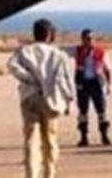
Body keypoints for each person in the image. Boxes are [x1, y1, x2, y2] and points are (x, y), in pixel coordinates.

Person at [7, 18, 77, 178]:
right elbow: (66, 78)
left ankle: (32, 174)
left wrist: (29, 78)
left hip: (29, 96)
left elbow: (12, 66)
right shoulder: (58, 54)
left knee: (31, 139)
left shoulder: (24, 51)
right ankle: (49, 174)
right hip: (51, 98)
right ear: (50, 34)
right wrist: (70, 99)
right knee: (50, 138)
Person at [73, 28, 112, 147]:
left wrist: (109, 85)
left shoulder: (100, 51)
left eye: (91, 38)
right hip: (82, 84)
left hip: (96, 83)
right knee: (82, 112)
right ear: (82, 39)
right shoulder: (77, 50)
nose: (89, 41)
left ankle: (104, 136)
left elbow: (107, 69)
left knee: (101, 111)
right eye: (87, 39)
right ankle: (83, 137)